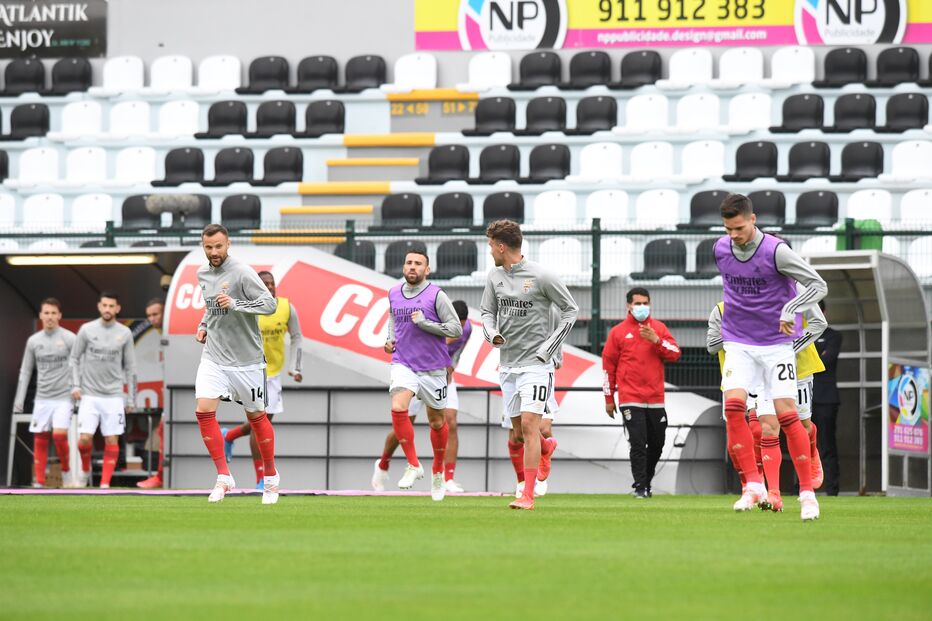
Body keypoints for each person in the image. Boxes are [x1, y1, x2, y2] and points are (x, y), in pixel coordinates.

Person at [715, 193, 827, 521]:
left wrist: (790, 308)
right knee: (734, 408)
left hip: (776, 345)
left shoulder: (776, 251)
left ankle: (807, 495)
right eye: (728, 229)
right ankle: (753, 485)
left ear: (753, 219)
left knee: (787, 415)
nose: (734, 235)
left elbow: (818, 286)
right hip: (738, 342)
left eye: (739, 228)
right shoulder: (720, 249)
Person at [480, 219, 578, 510]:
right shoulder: (494, 276)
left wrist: (550, 348)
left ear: (501, 246)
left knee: (530, 425)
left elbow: (571, 310)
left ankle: (528, 495)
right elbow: (487, 312)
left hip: (537, 365)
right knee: (520, 433)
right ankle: (547, 448)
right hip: (508, 364)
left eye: (491, 246)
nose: (490, 251)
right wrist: (492, 334)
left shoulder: (542, 276)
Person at [708, 291, 827, 510]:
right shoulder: (723, 309)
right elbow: (711, 344)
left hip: (798, 368)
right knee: (761, 429)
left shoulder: (795, 292)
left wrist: (785, 348)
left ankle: (810, 458)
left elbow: (819, 323)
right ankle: (761, 488)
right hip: (749, 374)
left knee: (801, 424)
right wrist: (738, 338)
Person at [194, 224, 279, 504]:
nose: (214, 252)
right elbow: (210, 306)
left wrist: (236, 304)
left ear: (228, 244)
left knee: (257, 418)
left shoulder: (242, 272)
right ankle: (224, 476)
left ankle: (271, 478)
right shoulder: (202, 273)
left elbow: (270, 305)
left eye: (218, 246)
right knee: (203, 411)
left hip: (247, 361)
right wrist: (203, 326)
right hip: (214, 356)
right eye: (208, 247)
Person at [382, 250, 462, 502]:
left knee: (437, 422)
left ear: (427, 270)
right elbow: (393, 317)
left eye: (418, 263)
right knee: (398, 406)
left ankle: (438, 471)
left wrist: (425, 323)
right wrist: (389, 339)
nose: (412, 267)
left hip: (433, 368)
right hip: (403, 363)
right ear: (403, 267)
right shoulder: (393, 293)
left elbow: (455, 329)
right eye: (409, 262)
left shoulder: (437, 295)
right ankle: (414, 464)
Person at [371, 299, 469, 494]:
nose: (456, 332)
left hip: (442, 376)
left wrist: (452, 367)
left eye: (461, 325)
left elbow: (457, 351)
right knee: (404, 423)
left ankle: (447, 478)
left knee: (450, 422)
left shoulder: (466, 329)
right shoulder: (428, 323)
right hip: (417, 372)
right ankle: (382, 465)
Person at [223, 271, 303, 489]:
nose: (269, 287)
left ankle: (229, 436)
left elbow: (297, 336)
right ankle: (261, 478)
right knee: (260, 424)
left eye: (271, 283)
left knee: (263, 422)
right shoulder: (246, 308)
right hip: (252, 370)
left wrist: (295, 367)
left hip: (273, 373)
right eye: (264, 284)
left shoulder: (285, 307)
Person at [602, 287, 681, 499]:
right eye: (637, 303)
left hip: (655, 398)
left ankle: (645, 482)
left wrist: (657, 340)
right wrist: (609, 398)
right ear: (628, 305)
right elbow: (608, 368)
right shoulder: (617, 332)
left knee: (657, 444)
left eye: (645, 303)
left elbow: (675, 353)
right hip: (630, 398)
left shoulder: (659, 328)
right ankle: (640, 487)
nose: (642, 307)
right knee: (637, 443)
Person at [70, 292, 138, 489]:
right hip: (89, 394)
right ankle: (85, 470)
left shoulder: (125, 333)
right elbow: (74, 358)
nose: (108, 309)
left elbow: (131, 368)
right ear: (99, 307)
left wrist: (131, 399)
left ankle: (104, 485)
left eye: (111, 306)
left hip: (114, 395)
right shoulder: (86, 329)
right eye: (104, 305)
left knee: (112, 439)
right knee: (84, 439)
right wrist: (75, 385)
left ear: (117, 308)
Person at [14, 298, 77, 487]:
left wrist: (76, 386)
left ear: (59, 315)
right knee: (40, 438)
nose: (50, 317)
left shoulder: (69, 338)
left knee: (59, 435)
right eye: (46, 313)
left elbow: (78, 365)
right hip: (42, 397)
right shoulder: (34, 341)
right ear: (40, 315)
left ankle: (66, 471)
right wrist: (19, 399)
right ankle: (39, 483)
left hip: (64, 397)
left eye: (53, 313)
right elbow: (26, 370)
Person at [812, 300, 842, 496]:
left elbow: (825, 362)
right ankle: (803, 487)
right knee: (802, 443)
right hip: (804, 399)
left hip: (826, 400)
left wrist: (809, 360)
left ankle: (832, 489)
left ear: (823, 311)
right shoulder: (801, 334)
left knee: (827, 444)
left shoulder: (833, 336)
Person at [138, 298, 166, 489]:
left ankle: (161, 477)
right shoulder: (161, 333)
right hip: (172, 391)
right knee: (163, 429)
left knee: (163, 429)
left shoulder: (172, 331)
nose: (152, 319)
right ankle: (160, 477)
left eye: (156, 314)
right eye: (149, 316)